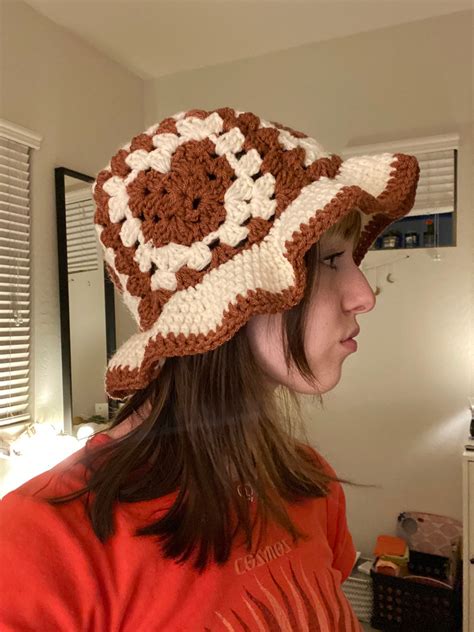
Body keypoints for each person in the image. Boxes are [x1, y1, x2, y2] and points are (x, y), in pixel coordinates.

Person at [0, 107, 419, 631]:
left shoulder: (307, 482)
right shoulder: (41, 544)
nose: (363, 295)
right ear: (226, 305)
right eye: (330, 260)